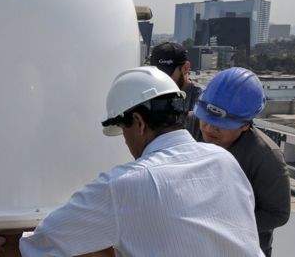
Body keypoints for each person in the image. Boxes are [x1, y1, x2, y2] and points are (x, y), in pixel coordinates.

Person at [19, 66, 264, 257]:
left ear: (138, 122)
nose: (126, 142)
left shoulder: (124, 185)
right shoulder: (224, 160)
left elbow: (40, 245)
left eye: (123, 131)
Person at [186, 67, 290, 257]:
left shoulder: (266, 157)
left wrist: (225, 224)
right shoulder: (190, 124)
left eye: (220, 126)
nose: (208, 128)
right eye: (205, 119)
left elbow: (278, 213)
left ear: (245, 125)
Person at [150, 41, 202, 110]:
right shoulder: (151, 97)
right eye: (156, 75)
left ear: (185, 68)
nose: (161, 81)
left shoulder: (202, 102)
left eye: (166, 75)